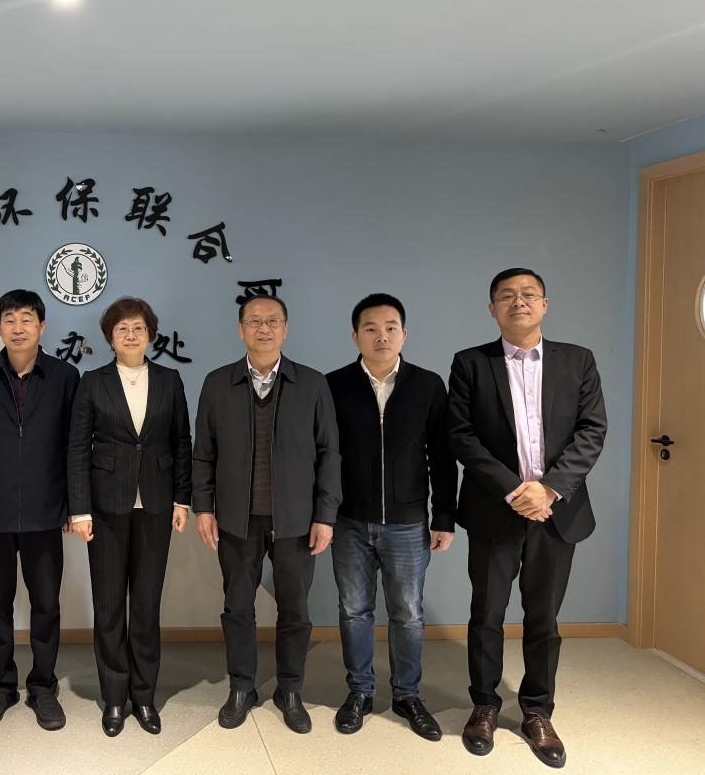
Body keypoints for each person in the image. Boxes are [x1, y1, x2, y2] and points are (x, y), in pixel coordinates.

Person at [449, 268, 606, 769]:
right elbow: (461, 435)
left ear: (544, 304)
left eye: (528, 294)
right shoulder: (471, 363)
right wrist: (516, 489)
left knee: (544, 618)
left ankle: (538, 712)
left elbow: (592, 429)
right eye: (507, 296)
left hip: (557, 512)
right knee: (486, 615)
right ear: (492, 309)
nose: (518, 302)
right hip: (495, 509)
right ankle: (484, 706)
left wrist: (549, 489)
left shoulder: (577, 360)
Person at [192, 296, 342, 735]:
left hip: (297, 520)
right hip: (237, 519)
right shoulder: (217, 383)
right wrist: (204, 507)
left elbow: (329, 453)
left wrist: (325, 514)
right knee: (237, 606)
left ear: (285, 329)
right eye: (254, 321)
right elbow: (203, 453)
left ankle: (290, 689)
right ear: (240, 329)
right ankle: (241, 686)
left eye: (273, 321)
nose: (264, 328)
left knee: (295, 609)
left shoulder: (311, 383)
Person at [325, 293, 457, 741]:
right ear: (355, 336)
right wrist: (323, 514)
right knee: (354, 611)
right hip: (348, 521)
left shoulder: (427, 385)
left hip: (408, 523)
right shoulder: (334, 385)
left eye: (390, 328)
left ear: (404, 333)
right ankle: (359, 692)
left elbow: (442, 456)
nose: (381, 336)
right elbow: (323, 456)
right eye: (370, 328)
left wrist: (444, 517)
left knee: (408, 613)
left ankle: (407, 695)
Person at [0, 289, 80, 731]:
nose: (19, 327)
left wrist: (74, 505)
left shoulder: (64, 376)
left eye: (27, 319)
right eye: (10, 319)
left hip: (47, 511)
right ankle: (1, 686)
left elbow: (75, 446)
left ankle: (43, 686)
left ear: (42, 327)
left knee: (46, 604)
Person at [67, 296, 193, 737]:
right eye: (122, 328)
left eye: (138, 327)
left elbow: (182, 442)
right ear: (110, 337)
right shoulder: (93, 382)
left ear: (150, 334)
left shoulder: (169, 380)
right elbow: (78, 448)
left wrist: (182, 501)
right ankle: (115, 699)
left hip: (156, 507)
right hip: (104, 509)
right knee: (108, 608)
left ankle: (144, 696)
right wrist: (79, 510)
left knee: (145, 607)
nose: (131, 334)